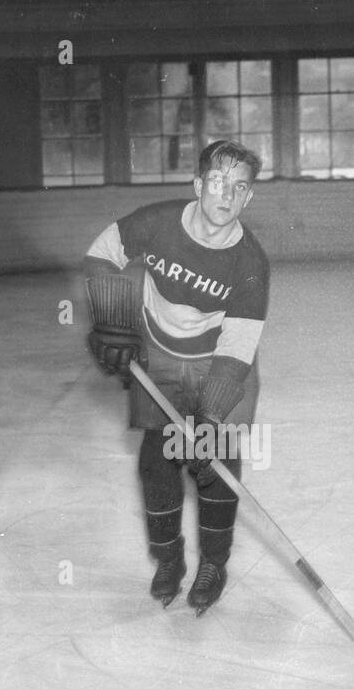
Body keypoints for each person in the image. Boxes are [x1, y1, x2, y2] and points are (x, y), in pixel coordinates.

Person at [84, 139, 271, 615]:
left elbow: (236, 346)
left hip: (219, 361)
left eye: (239, 188)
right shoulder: (157, 222)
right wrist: (113, 318)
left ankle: (213, 563)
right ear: (198, 185)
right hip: (160, 356)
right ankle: (168, 561)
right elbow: (102, 252)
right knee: (158, 460)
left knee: (217, 463)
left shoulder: (250, 262)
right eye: (217, 182)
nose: (225, 196)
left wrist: (209, 420)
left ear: (248, 198)